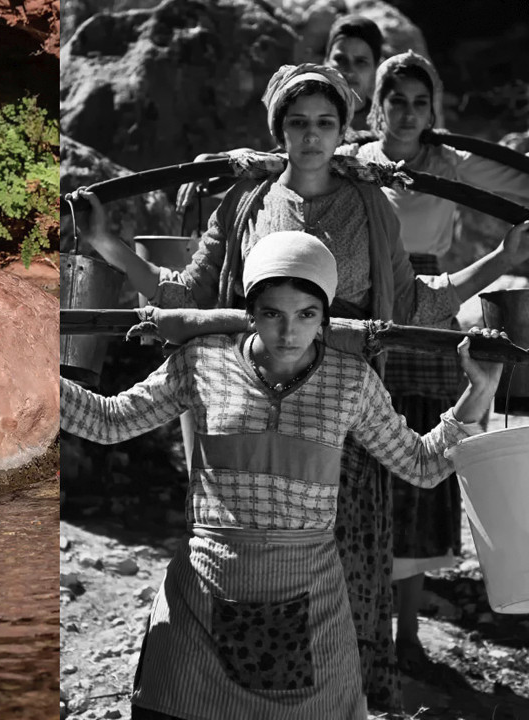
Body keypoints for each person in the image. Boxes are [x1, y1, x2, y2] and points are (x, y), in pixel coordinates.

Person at [79, 63, 529, 709]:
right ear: (278, 129)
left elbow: (412, 301)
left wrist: (502, 261)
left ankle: (350, 688)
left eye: (325, 124)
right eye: (298, 123)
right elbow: (187, 294)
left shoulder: (370, 203)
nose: (311, 137)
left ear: (345, 131)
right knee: (236, 551)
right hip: (249, 391)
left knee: (339, 571)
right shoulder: (247, 200)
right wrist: (107, 245)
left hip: (338, 401)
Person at [61, 231, 504, 719]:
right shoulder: (202, 361)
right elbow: (108, 421)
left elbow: (421, 464)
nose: (289, 333)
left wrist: (478, 392)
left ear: (325, 317)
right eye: (273, 313)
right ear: (250, 311)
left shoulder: (350, 380)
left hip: (310, 602)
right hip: (203, 595)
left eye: (307, 315)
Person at [342, 50, 529, 671]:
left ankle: (409, 637)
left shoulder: (449, 163)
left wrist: (510, 249)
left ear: (433, 110)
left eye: (421, 103)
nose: (409, 113)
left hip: (432, 308)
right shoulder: (355, 161)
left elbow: (518, 184)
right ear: (379, 105)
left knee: (424, 468)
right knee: (362, 467)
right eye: (397, 101)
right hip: (368, 305)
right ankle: (355, 630)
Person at [323, 14, 384, 138]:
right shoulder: (302, 118)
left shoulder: (386, 128)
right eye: (340, 59)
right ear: (326, 62)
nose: (349, 70)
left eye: (361, 62)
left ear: (376, 68)